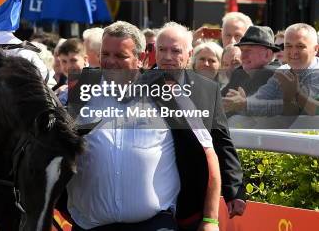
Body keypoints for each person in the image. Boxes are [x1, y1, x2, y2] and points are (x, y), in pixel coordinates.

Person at [67, 21, 245, 230]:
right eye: (105, 54)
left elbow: (211, 151)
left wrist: (210, 218)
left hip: (156, 222)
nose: (110, 62)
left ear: (141, 58)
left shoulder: (169, 93)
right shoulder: (80, 91)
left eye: (120, 56)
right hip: (90, 224)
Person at [224, 23, 319, 117]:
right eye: (288, 46)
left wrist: (246, 104)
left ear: (316, 49)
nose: (293, 52)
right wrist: (243, 102)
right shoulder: (283, 71)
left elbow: (303, 110)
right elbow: (261, 98)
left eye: (300, 46)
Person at [221, 26, 280, 113]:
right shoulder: (239, 73)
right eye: (242, 51)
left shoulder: (275, 74)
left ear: (268, 55)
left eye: (248, 51)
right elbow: (220, 100)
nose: (243, 57)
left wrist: (243, 103)